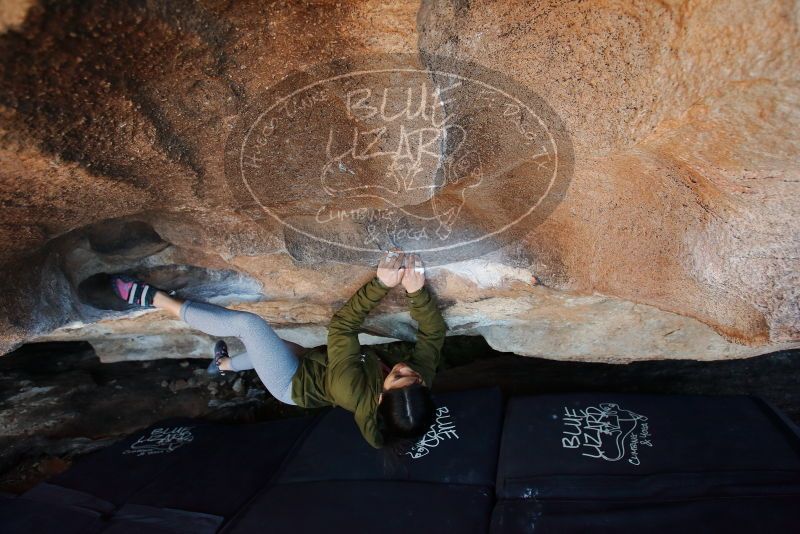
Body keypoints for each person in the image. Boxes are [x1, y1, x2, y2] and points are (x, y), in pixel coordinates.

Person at [110, 251, 447, 450]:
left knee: (251, 328)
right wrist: (416, 292)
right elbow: (433, 334)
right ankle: (225, 365)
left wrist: (382, 285)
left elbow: (342, 325)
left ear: (378, 399)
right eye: (413, 376)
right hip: (317, 366)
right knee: (278, 346)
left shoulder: (351, 388)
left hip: (292, 383)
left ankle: (154, 299)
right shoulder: (417, 384)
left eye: (398, 377)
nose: (404, 367)